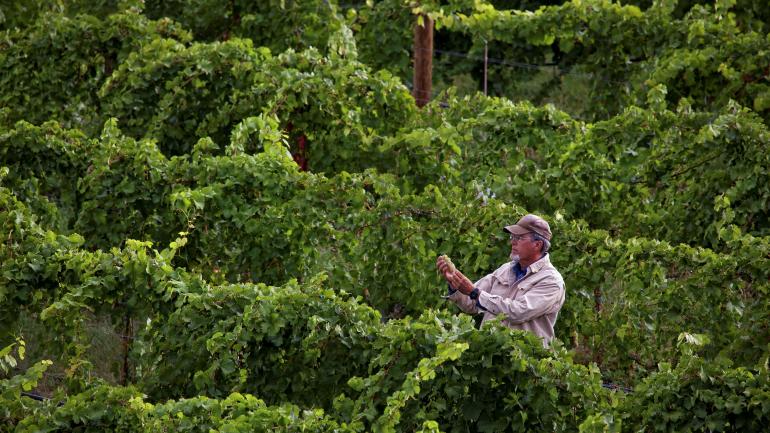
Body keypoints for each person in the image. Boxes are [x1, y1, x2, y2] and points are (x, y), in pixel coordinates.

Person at [436, 214, 565, 346]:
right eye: (512, 237)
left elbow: (518, 312)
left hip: (524, 361)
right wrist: (454, 283)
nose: (512, 242)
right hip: (490, 354)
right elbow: (471, 304)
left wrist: (475, 292)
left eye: (519, 237)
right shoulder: (505, 269)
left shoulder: (552, 281)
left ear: (537, 244)